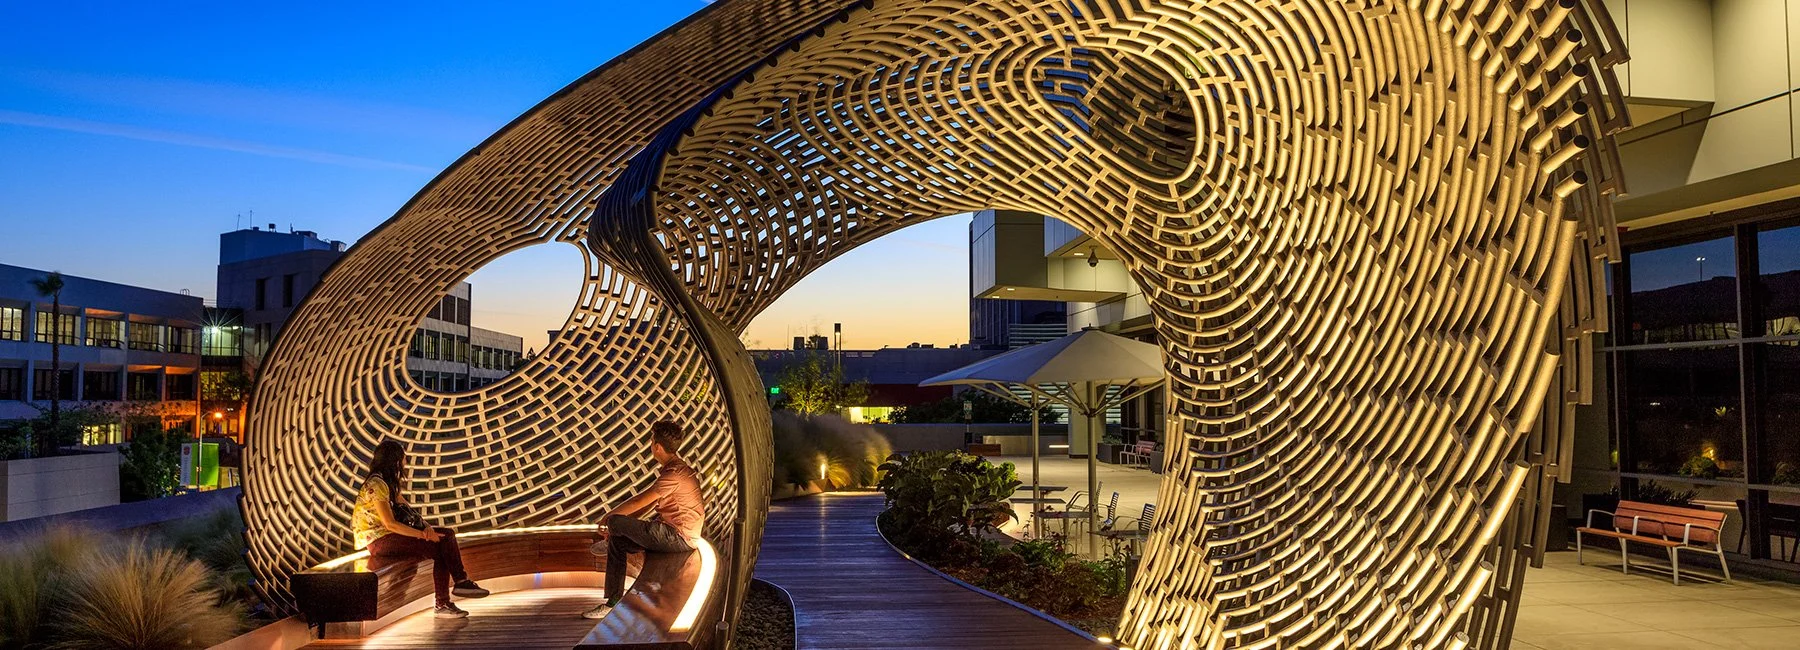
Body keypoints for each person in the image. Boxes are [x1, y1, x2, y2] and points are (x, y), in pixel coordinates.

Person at [351, 439, 490, 619]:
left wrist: (428, 528)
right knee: (440, 547)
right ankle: (447, 597)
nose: (405, 463)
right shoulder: (376, 485)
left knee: (446, 535)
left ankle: (457, 587)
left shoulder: (387, 484)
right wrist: (423, 535)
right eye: (403, 458)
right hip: (379, 541)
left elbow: (409, 510)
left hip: (389, 537)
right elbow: (389, 524)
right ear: (395, 460)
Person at [582, 420, 706, 620]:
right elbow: (649, 505)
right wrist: (620, 526)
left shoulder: (674, 474)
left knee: (615, 523)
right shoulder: (676, 469)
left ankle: (610, 538)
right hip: (673, 534)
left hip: (677, 537)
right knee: (619, 541)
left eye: (650, 441)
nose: (650, 445)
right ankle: (612, 602)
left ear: (657, 446)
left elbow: (641, 499)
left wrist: (608, 518)